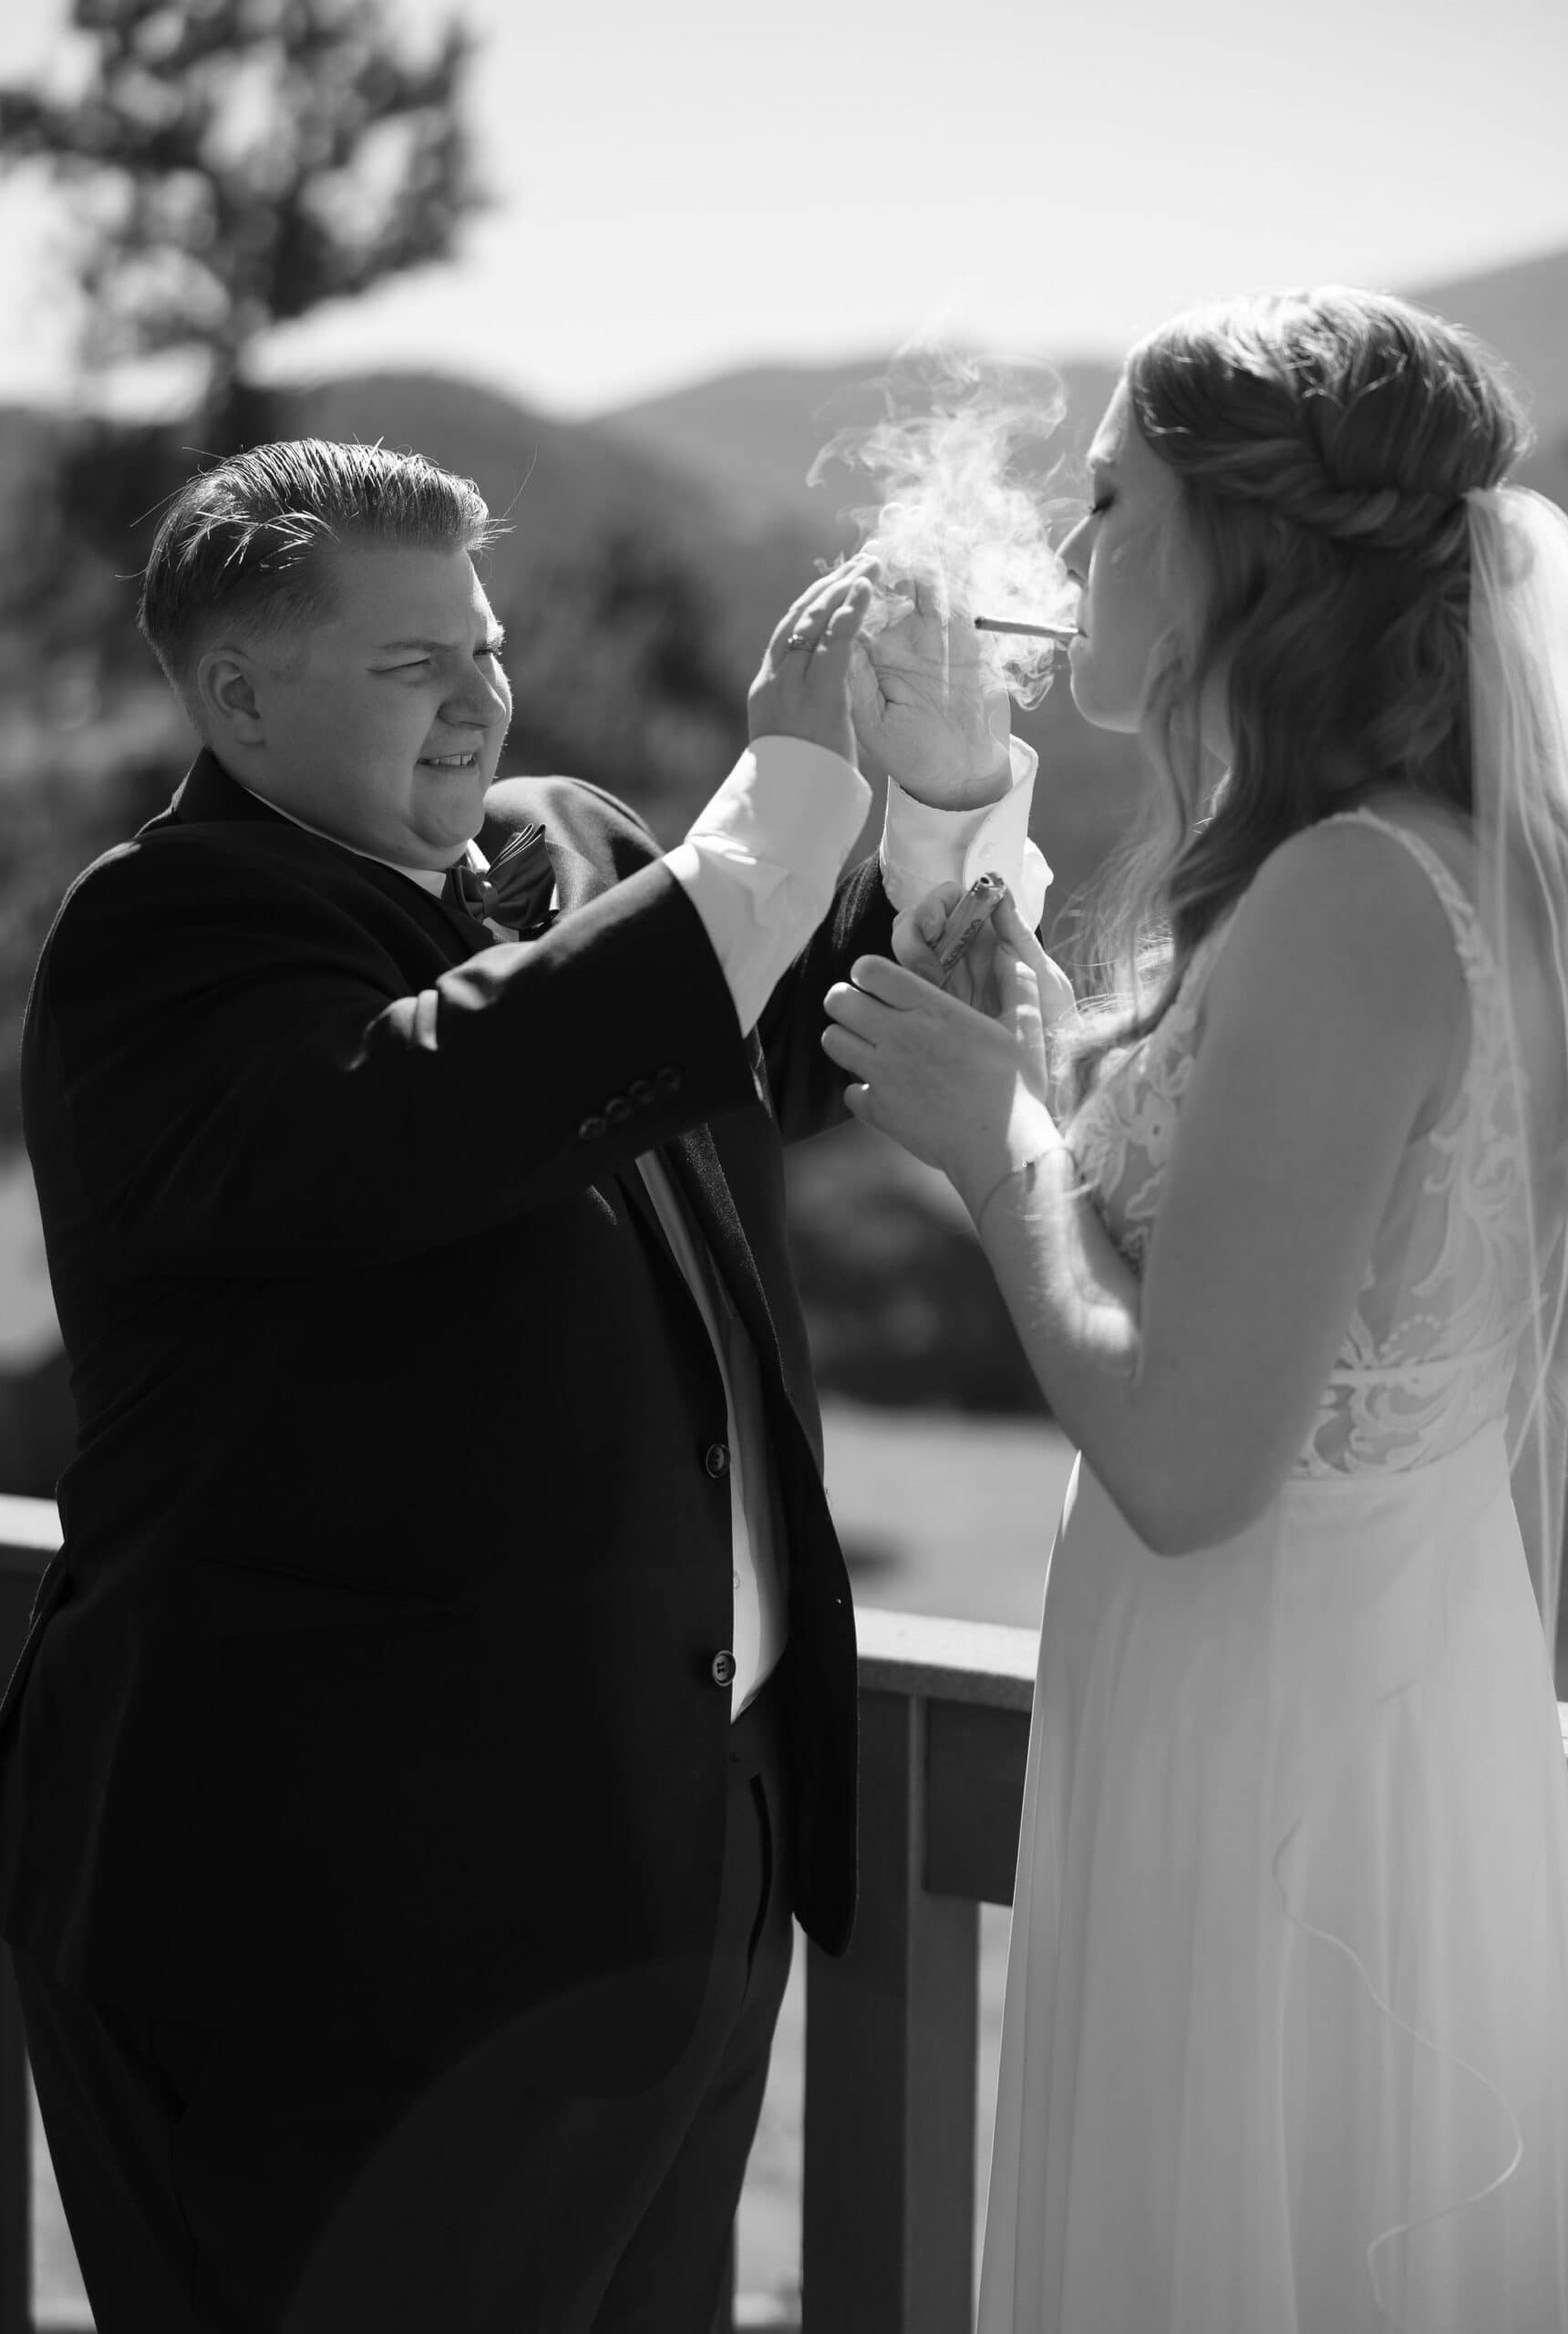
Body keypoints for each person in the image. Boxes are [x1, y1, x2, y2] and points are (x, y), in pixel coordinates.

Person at [0, 436, 1050, 2333]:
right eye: (412, 662)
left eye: (480, 644)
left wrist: (937, 793)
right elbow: (450, 1099)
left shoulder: (579, 851)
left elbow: (798, 1038)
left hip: (673, 1873)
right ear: (236, 694)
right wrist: (778, 797)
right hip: (343, 1943)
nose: (482, 689)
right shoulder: (159, 943)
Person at [824, 287, 1568, 2330]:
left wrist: (997, 1153)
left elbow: (1185, 1459)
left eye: (1104, 505)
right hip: (1341, 1699)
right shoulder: (1403, 870)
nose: (1063, 562)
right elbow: (1296, 1278)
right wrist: (1059, 1091)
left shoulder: (1342, 895)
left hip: (1273, 1772)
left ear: (1240, 554)